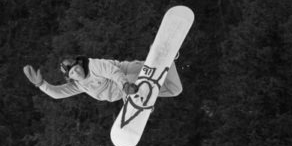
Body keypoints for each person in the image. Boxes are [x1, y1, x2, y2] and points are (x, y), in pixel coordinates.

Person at [23, 54, 182, 104]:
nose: (76, 72)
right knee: (175, 89)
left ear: (79, 64)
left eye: (76, 67)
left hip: (128, 76)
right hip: (127, 90)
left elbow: (113, 72)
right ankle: (170, 61)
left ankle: (161, 57)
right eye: (71, 72)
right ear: (70, 77)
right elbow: (59, 93)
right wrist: (41, 84)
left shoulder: (93, 66)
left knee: (141, 87)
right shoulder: (80, 85)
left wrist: (125, 86)